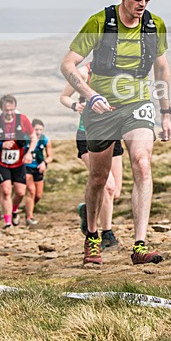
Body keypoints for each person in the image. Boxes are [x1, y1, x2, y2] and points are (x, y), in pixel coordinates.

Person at [60, 0, 171, 266]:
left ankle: (139, 245)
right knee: (99, 178)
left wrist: (165, 112)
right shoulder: (100, 22)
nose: (142, 4)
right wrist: (89, 94)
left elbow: (161, 69)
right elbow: (67, 65)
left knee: (142, 162)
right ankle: (93, 236)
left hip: (137, 103)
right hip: (101, 107)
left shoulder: (154, 25)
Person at [60, 63, 124, 249]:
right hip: (88, 134)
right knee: (108, 186)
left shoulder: (123, 69)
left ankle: (88, 209)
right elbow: (64, 96)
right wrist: (75, 105)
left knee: (115, 193)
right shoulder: (83, 72)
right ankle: (106, 235)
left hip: (113, 134)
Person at [0, 94, 38, 229]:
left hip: (18, 162)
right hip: (0, 162)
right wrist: (0, 145)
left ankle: (13, 210)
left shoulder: (22, 120)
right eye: (6, 110)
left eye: (11, 109)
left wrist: (29, 152)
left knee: (20, 192)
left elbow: (33, 137)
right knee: (6, 191)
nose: (9, 113)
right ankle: (8, 223)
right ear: (1, 109)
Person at [23, 119, 52, 225]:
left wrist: (44, 163)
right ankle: (29, 217)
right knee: (31, 190)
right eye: (36, 129)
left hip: (38, 167)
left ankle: (28, 209)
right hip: (26, 167)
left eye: (40, 130)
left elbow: (50, 156)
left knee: (38, 195)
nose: (38, 132)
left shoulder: (45, 140)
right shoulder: (25, 139)